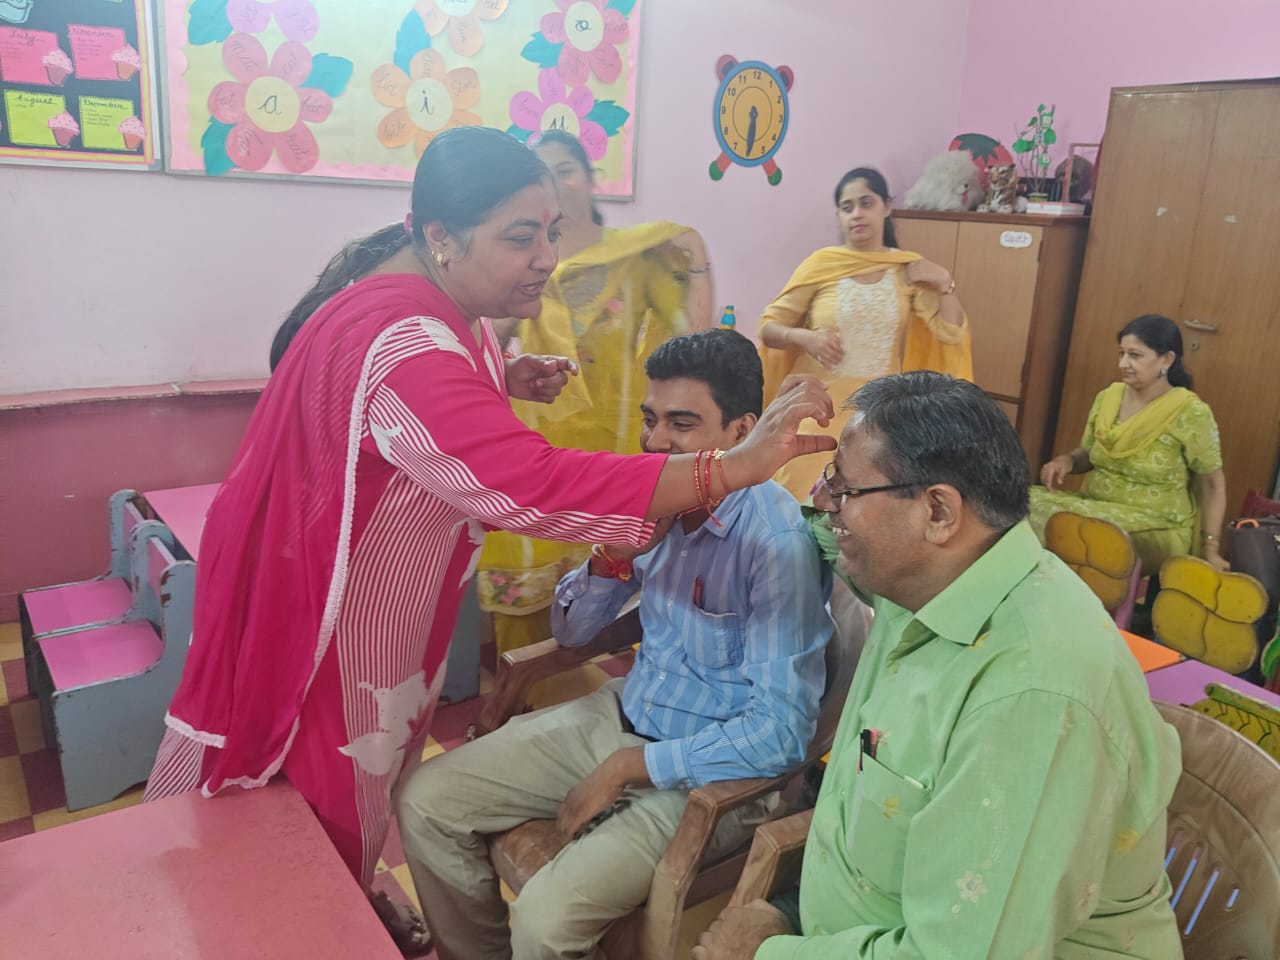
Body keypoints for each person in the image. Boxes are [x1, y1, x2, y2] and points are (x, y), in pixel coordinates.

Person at [142, 127, 836, 953]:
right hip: (333, 619)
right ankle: (314, 926)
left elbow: (778, 724)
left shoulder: (436, 301)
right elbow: (528, 483)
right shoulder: (406, 338)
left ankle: (341, 907)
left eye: (552, 230)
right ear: (442, 236)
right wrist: (726, 471)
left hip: (665, 744)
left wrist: (496, 380)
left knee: (392, 797)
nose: (547, 257)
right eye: (521, 237)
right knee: (328, 797)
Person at [694, 371, 1183, 959]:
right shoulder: (932, 575)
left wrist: (765, 953)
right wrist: (735, 474)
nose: (823, 502)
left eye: (843, 489)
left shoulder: (1030, 698)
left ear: (938, 511)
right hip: (853, 923)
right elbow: (824, 534)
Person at [396, 329, 833, 960]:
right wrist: (613, 557)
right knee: (425, 802)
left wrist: (631, 767)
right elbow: (572, 634)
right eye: (651, 420)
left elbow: (781, 735)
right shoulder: (656, 502)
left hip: (708, 775)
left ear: (744, 433)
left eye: (682, 424)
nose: (655, 442)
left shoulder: (774, 542)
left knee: (544, 924)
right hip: (621, 716)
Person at [477, 129, 716, 656]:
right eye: (542, 175)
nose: (555, 183)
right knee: (531, 594)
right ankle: (529, 691)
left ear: (589, 180)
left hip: (614, 448)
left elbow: (690, 340)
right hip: (536, 454)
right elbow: (484, 346)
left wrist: (696, 262)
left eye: (564, 170)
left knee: (610, 592)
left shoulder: (634, 260)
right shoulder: (525, 263)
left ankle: (608, 688)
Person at [757, 167, 974, 499]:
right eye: (847, 207)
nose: (857, 214)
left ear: (887, 207)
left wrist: (944, 281)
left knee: (866, 503)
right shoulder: (823, 264)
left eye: (866, 203)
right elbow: (769, 328)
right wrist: (805, 338)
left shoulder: (906, 267)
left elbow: (950, 332)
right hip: (818, 408)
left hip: (878, 416)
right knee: (797, 500)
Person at [1030, 313, 1228, 574]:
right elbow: (1089, 453)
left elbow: (1212, 484)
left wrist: (1210, 548)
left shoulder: (1190, 412)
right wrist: (1066, 461)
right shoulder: (1108, 398)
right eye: (1121, 353)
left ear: (1166, 359)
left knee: (1085, 537)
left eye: (1135, 355)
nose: (1124, 363)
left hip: (1156, 524)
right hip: (1093, 505)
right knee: (1019, 508)